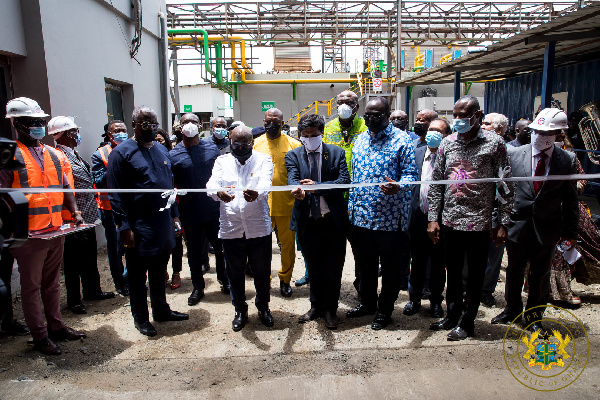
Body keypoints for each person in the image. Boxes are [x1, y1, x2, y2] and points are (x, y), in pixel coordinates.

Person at [2, 97, 86, 355]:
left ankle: (56, 326)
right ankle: (39, 337)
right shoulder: (7, 154)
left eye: (41, 122)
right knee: (31, 287)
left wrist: (74, 212)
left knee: (52, 283)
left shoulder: (54, 153)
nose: (38, 126)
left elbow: (64, 186)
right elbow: (3, 195)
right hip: (28, 235)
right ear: (17, 125)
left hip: (55, 228)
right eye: (32, 122)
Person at [427, 95, 513, 341]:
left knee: (474, 275)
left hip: (480, 221)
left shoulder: (494, 143)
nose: (459, 120)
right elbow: (437, 184)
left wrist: (502, 223)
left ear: (478, 115)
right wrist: (433, 218)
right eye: (456, 115)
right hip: (450, 220)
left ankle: (467, 322)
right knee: (452, 272)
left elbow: (506, 185)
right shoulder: (448, 143)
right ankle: (452, 316)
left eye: (465, 115)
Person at [492, 108, 579, 334]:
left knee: (540, 274)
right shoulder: (514, 154)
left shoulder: (566, 160)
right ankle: (512, 309)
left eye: (545, 133)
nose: (539, 136)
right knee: (514, 270)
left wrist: (571, 233)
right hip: (516, 225)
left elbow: (571, 200)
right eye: (536, 131)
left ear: (558, 135)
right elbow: (501, 193)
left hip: (547, 228)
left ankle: (533, 318)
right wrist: (499, 223)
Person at [107, 106, 189, 337]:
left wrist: (174, 215)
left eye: (154, 124)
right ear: (134, 124)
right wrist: (124, 227)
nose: (151, 129)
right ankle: (141, 317)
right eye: (145, 124)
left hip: (162, 222)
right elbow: (115, 193)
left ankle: (161, 310)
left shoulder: (162, 151)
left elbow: (169, 187)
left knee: (159, 269)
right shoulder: (121, 153)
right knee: (137, 274)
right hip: (137, 225)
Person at [346, 96, 418, 330]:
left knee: (390, 268)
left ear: (388, 115)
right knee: (365, 266)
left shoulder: (402, 140)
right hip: (361, 218)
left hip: (389, 219)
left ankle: (385, 309)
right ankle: (367, 303)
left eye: (377, 115)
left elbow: (411, 175)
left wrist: (399, 185)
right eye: (368, 115)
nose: (371, 119)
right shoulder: (359, 140)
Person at [207, 125, 275, 331]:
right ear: (230, 141)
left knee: (262, 272)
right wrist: (219, 193)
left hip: (258, 227)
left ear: (252, 142)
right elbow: (211, 184)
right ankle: (240, 309)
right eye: (237, 143)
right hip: (231, 228)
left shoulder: (263, 159)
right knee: (234, 273)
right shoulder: (222, 161)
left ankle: (263, 307)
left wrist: (258, 192)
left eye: (246, 142)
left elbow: (266, 182)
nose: (241, 146)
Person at [286, 114, 350, 329]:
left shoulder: (336, 153)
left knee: (333, 267)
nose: (310, 139)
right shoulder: (293, 155)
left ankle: (331, 310)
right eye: (306, 135)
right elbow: (292, 180)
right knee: (313, 267)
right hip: (308, 221)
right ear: (300, 136)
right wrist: (299, 191)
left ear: (321, 133)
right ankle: (315, 306)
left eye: (314, 135)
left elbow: (343, 183)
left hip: (333, 221)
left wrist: (317, 186)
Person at [49, 116, 114, 314]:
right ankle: (74, 300)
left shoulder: (73, 154)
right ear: (68, 134)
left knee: (88, 255)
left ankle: (92, 290)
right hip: (71, 217)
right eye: (75, 131)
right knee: (72, 261)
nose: (77, 135)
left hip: (87, 215)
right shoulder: (58, 156)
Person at [171, 112, 229, 306]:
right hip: (190, 212)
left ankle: (225, 281)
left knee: (221, 248)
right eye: (185, 122)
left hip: (214, 210)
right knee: (194, 252)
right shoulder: (173, 155)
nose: (189, 125)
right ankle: (198, 287)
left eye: (193, 121)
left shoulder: (212, 149)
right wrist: (175, 215)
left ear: (201, 125)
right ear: (180, 127)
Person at [404, 119, 452, 319]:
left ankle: (435, 301)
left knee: (438, 262)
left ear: (447, 135)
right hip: (417, 216)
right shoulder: (416, 153)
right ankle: (414, 299)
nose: (432, 134)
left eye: (438, 131)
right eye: (430, 130)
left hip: (441, 219)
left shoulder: (450, 156)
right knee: (417, 261)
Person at [253, 108, 302, 297]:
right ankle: (265, 279)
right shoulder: (255, 144)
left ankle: (285, 279)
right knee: (261, 247)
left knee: (287, 247)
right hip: (260, 205)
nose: (271, 125)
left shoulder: (294, 144)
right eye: (268, 121)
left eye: (276, 121)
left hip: (286, 205)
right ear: (263, 122)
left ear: (282, 123)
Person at [323, 90, 368, 294]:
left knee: (361, 250)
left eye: (348, 102)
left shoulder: (365, 128)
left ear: (356, 106)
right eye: (340, 102)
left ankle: (362, 287)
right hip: (334, 198)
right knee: (332, 249)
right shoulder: (329, 128)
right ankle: (331, 289)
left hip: (358, 198)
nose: (343, 106)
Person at [547, 133, 600, 305]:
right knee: (554, 253)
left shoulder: (569, 157)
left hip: (570, 210)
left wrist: (576, 186)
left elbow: (582, 177)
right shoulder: (535, 155)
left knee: (590, 242)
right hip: (547, 213)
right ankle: (560, 292)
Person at [91, 120, 129, 296]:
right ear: (109, 134)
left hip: (131, 206)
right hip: (109, 209)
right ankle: (120, 283)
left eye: (124, 130)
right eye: (117, 131)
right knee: (115, 248)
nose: (121, 133)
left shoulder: (132, 149)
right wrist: (115, 163)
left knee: (132, 244)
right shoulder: (100, 155)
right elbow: (98, 182)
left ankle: (131, 278)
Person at [477, 112, 509, 308]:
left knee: (494, 254)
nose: (482, 126)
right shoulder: (477, 148)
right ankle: (467, 288)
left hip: (499, 210)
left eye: (487, 124)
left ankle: (486, 290)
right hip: (479, 210)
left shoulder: (510, 151)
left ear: (498, 129)